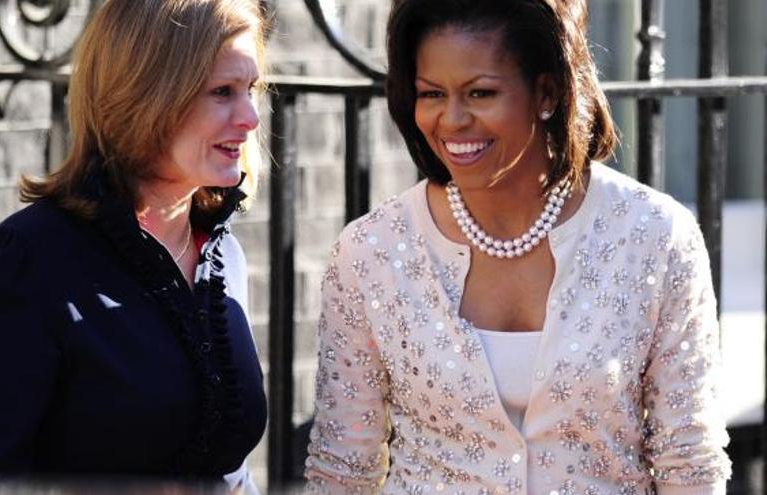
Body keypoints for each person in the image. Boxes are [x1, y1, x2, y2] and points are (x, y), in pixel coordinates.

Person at [304, 0, 732, 493]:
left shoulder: (657, 237)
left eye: (481, 92)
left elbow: (690, 461)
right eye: (431, 94)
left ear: (546, 92)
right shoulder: (370, 251)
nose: (452, 119)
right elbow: (342, 470)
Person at [0, 0, 268, 491]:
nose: (250, 118)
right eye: (222, 92)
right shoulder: (25, 261)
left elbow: (230, 473)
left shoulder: (224, 258)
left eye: (252, 90)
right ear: (147, 96)